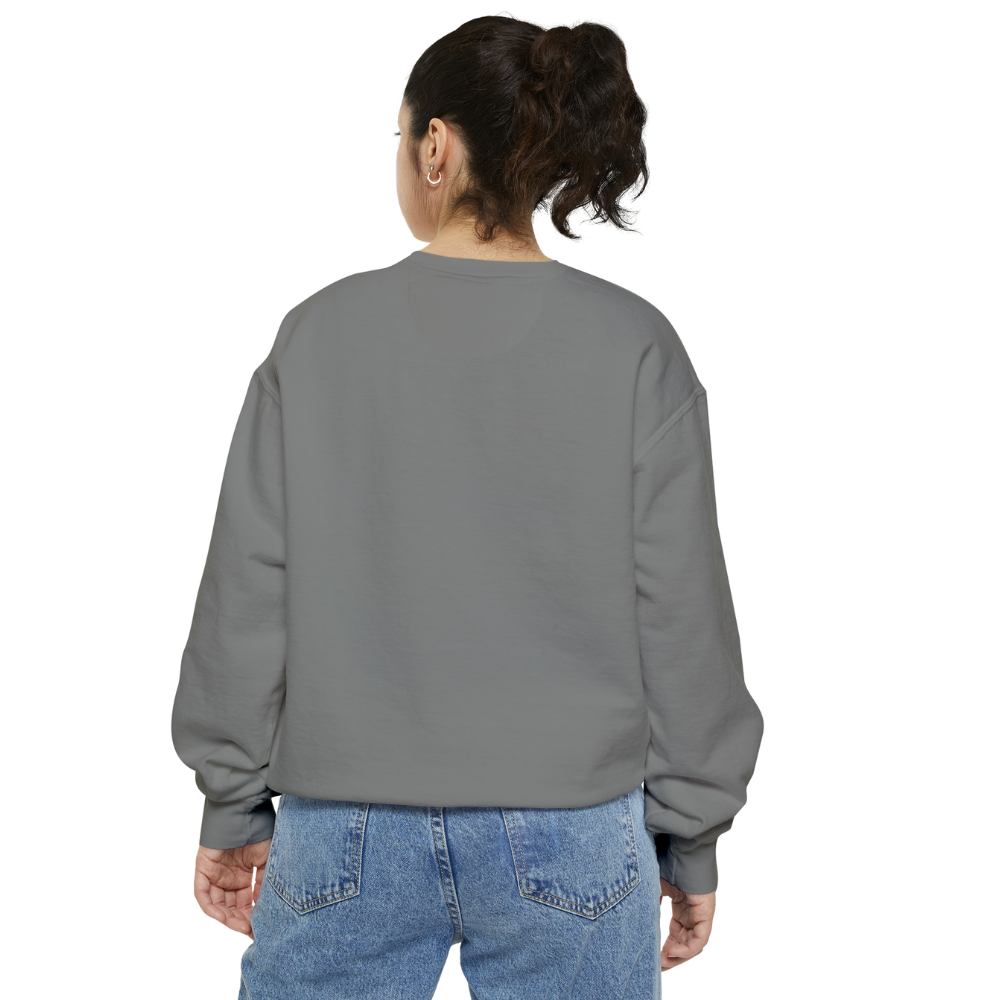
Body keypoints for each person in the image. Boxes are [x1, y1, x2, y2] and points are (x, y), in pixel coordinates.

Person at [172, 15, 764, 999]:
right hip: (575, 828)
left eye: (399, 136)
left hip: (344, 824)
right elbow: (682, 615)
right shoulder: (636, 346)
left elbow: (248, 592)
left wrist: (231, 804)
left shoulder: (317, 337)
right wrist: (691, 833)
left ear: (435, 147)